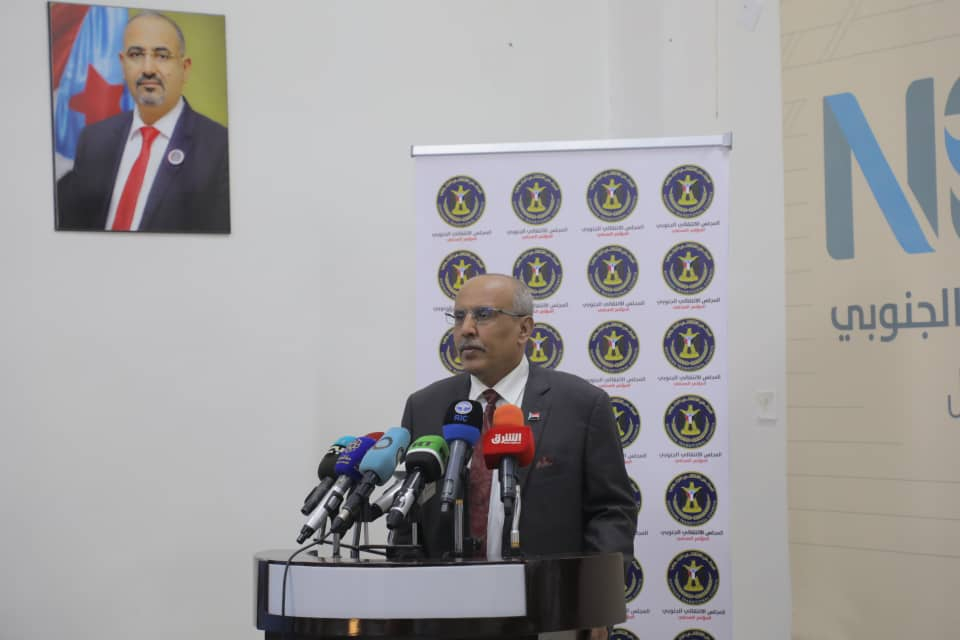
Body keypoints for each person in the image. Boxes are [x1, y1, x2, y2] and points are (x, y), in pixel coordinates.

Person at [401, 274, 637, 640]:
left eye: (482, 315)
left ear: (524, 329)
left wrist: (597, 601)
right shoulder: (426, 406)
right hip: (445, 615)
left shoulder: (580, 405)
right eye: (459, 316)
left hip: (550, 612)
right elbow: (408, 515)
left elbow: (611, 511)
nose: (466, 330)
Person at [56, 11, 229, 233]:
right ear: (123, 64)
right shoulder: (93, 139)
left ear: (184, 69)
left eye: (162, 56)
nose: (148, 69)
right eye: (136, 54)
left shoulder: (220, 149)